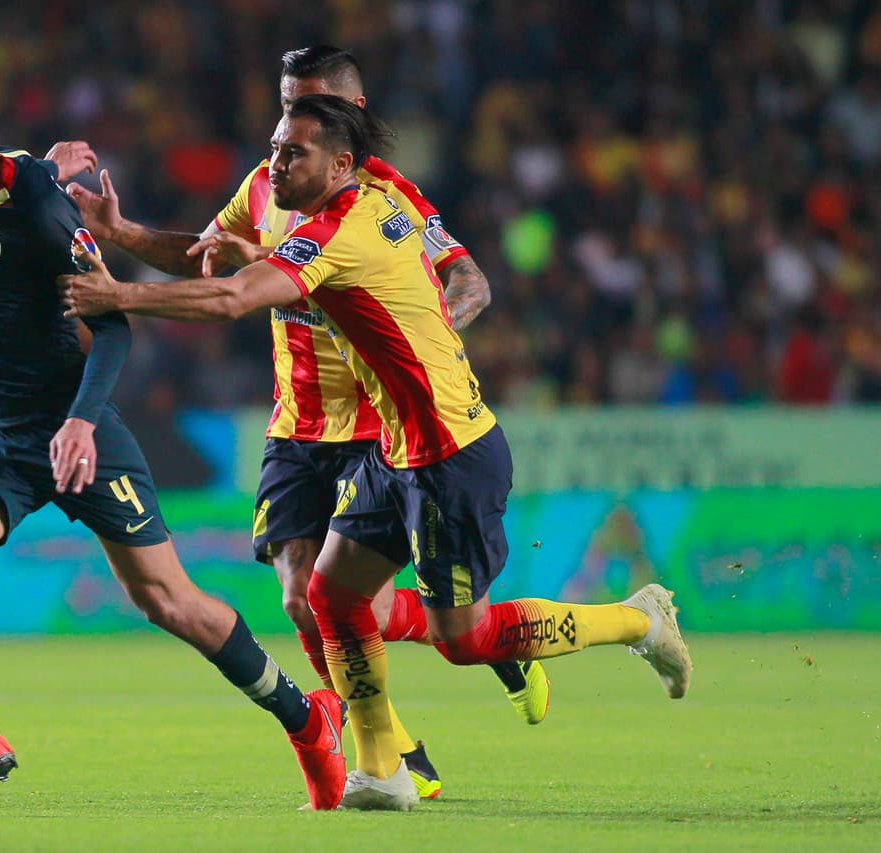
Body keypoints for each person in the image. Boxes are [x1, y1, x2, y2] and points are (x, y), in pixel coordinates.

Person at [59, 94, 693, 812]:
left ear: (341, 163)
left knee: (465, 635)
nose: (275, 160)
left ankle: (639, 618)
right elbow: (257, 275)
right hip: (391, 447)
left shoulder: (356, 221)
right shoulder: (323, 217)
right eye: (275, 142)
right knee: (326, 594)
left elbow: (235, 299)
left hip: (451, 452)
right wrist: (227, 254)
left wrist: (117, 296)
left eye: (294, 150)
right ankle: (381, 769)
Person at [0, 76, 349, 810]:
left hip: (78, 423)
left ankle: (307, 719)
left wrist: (79, 421)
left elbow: (109, 323)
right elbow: (17, 167)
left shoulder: (39, 207)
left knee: (170, 602)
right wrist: (45, 157)